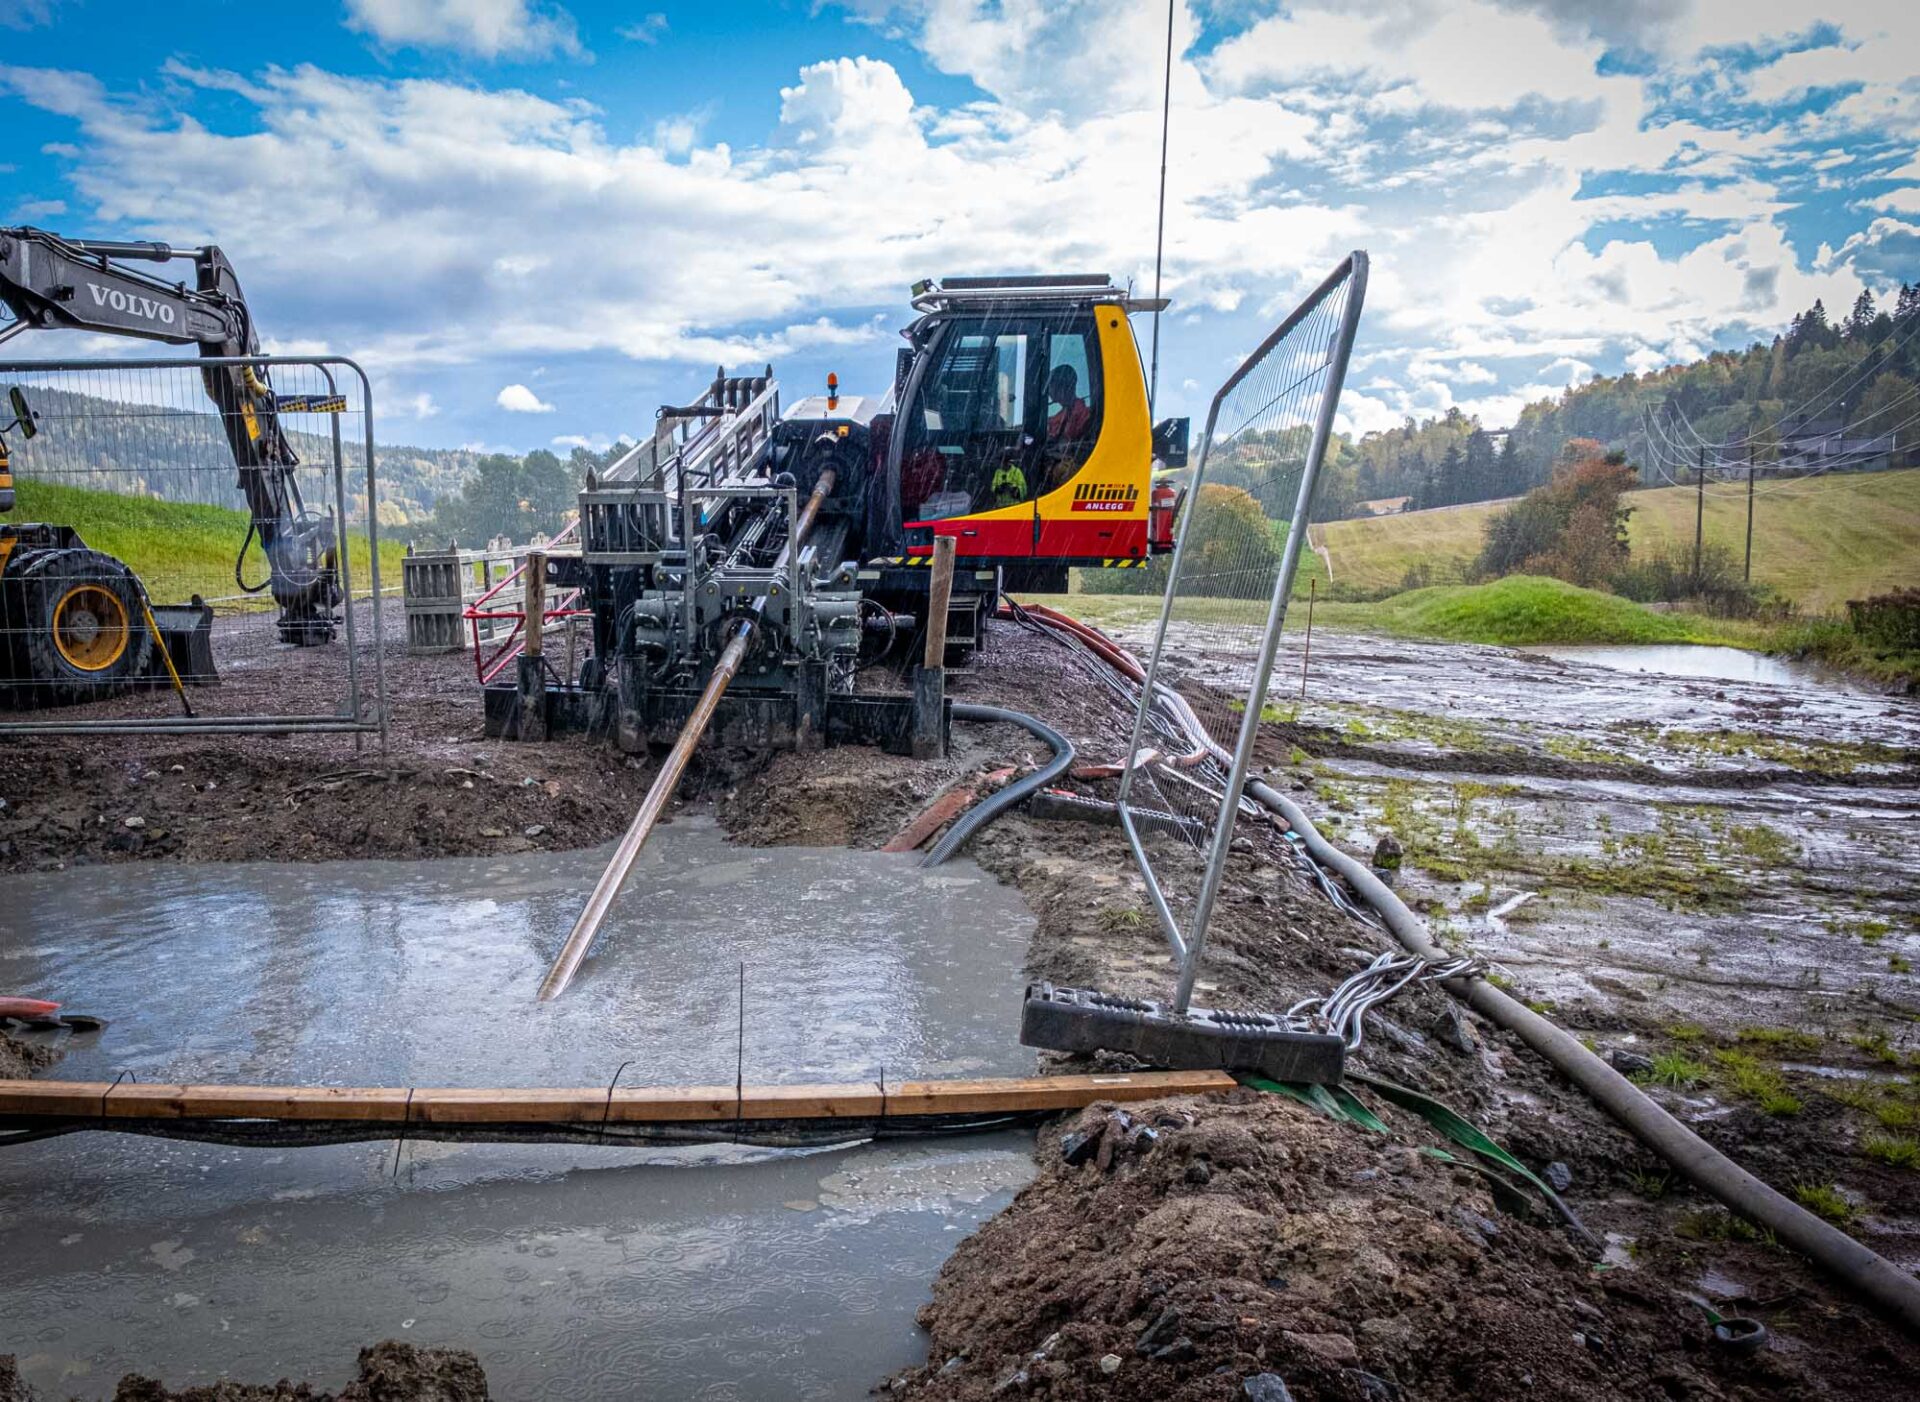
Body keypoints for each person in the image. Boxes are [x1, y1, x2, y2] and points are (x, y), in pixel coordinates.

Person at [1047, 364, 1092, 442]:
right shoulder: (1058, 417)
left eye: (1051, 386)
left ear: (1063, 387)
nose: (1049, 392)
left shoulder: (1085, 415)